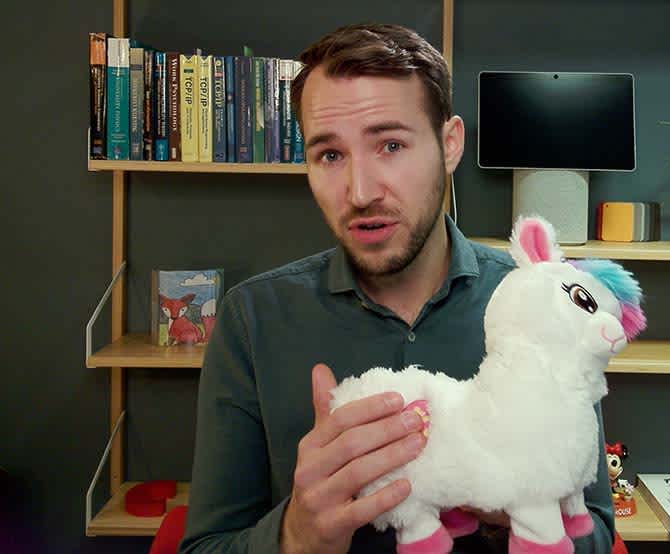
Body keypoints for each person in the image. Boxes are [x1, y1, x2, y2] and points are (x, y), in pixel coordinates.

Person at [179, 23, 615, 554]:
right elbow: (204, 546)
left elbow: (594, 528)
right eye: (330, 155)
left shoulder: (540, 300)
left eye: (390, 144)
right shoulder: (253, 319)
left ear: (448, 144)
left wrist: (511, 514)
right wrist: (295, 535)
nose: (360, 193)